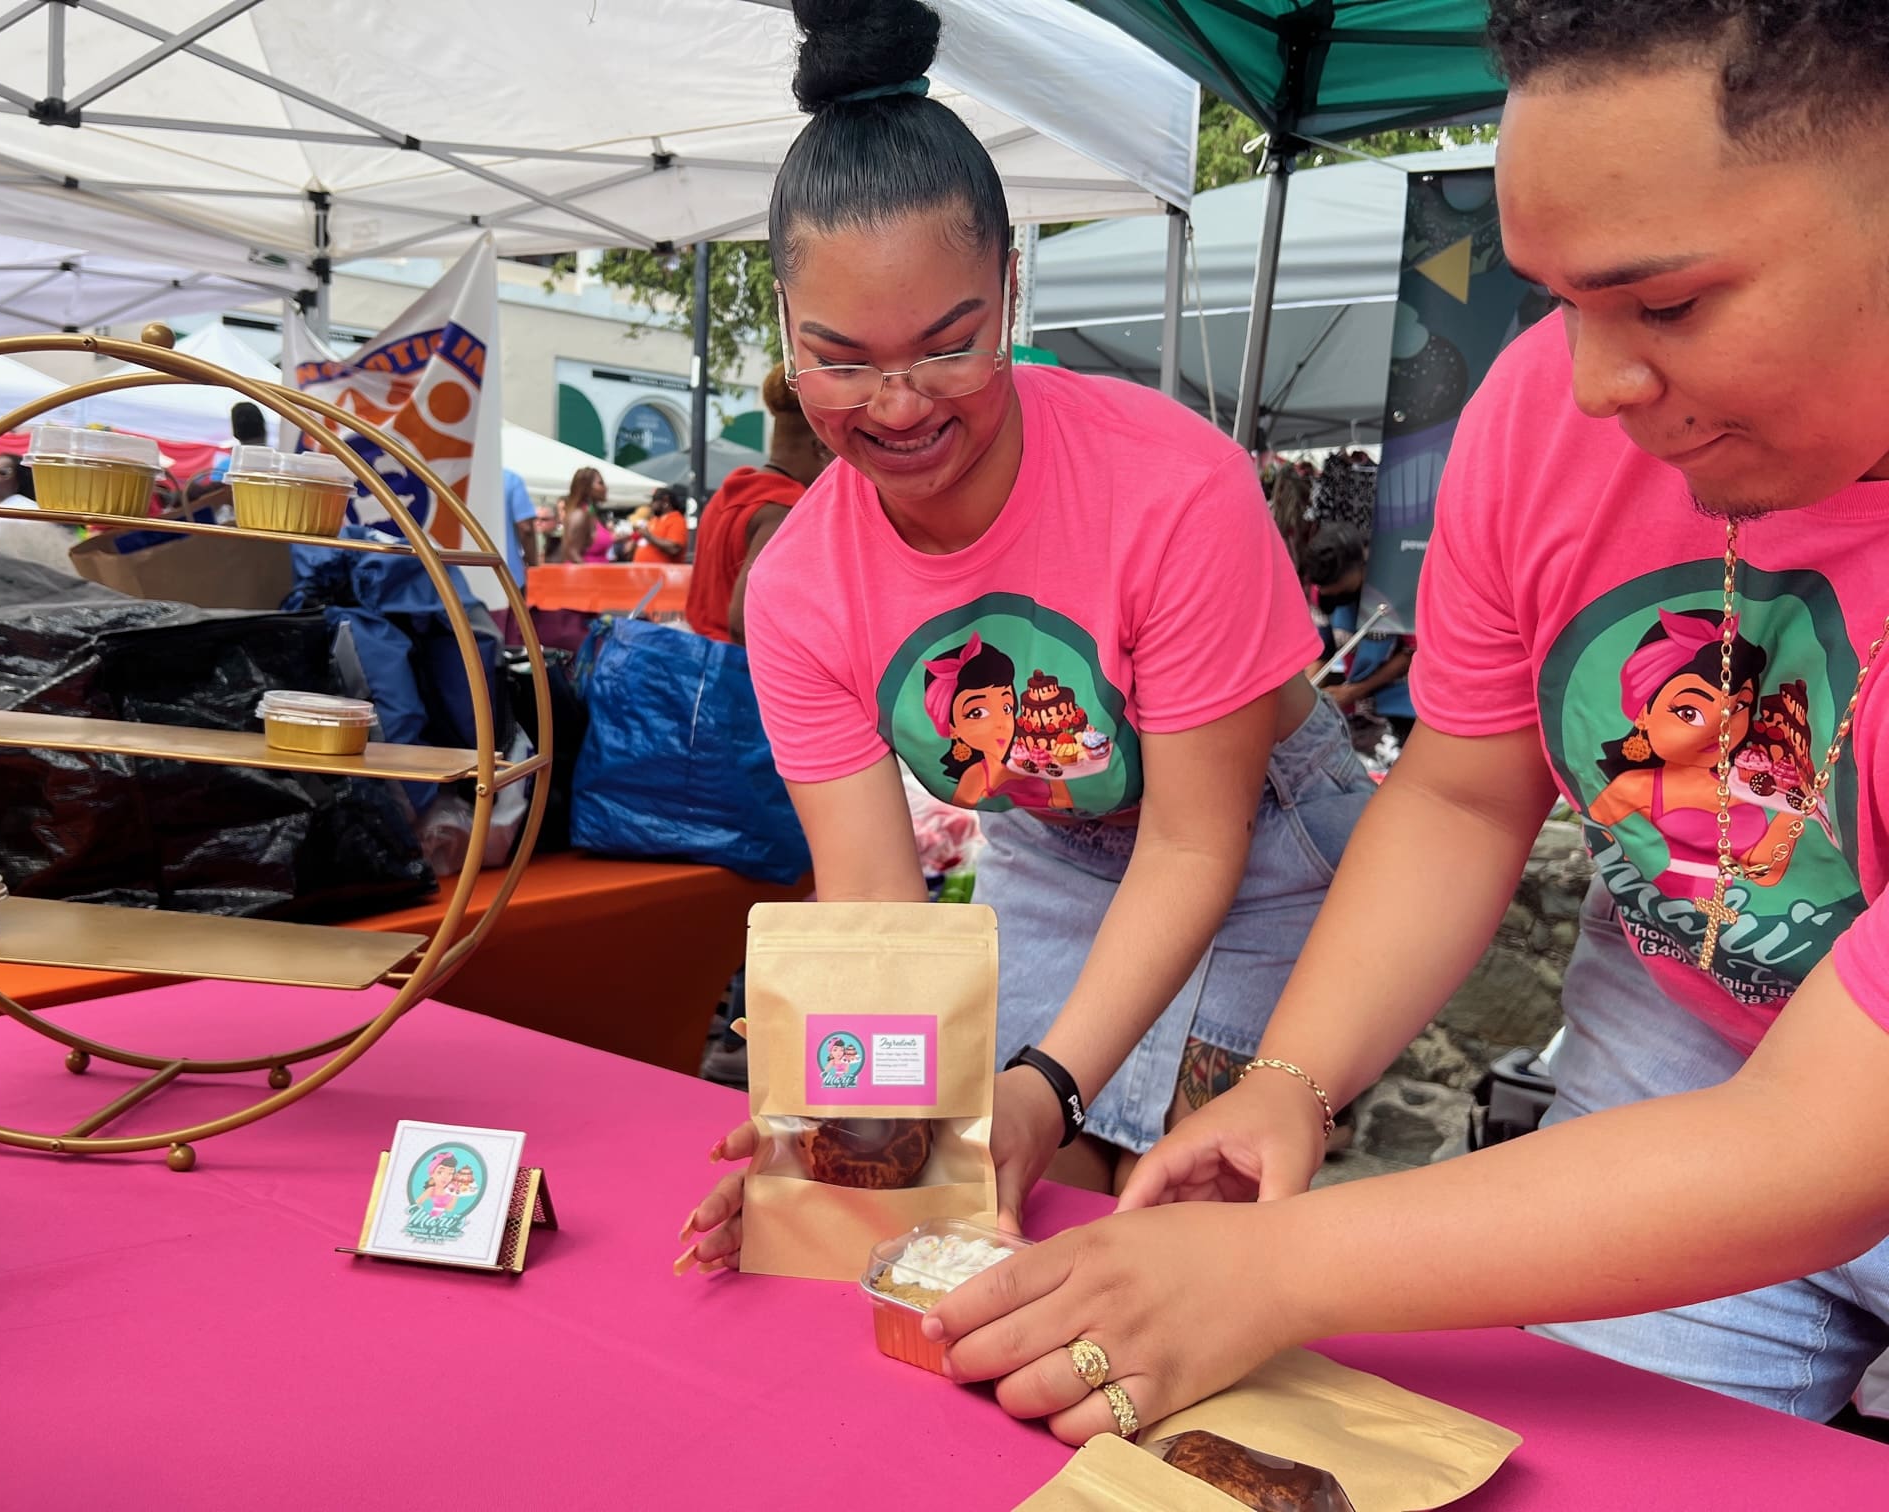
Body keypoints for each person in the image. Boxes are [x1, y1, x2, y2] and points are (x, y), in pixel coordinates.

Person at [912, 0, 1889, 1446]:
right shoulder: (1536, 422)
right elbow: (1461, 793)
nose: (1593, 387)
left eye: (1667, 304)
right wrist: (1292, 1083)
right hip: (1682, 1048)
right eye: (1559, 301)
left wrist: (1271, 1271)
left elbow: (1818, 1141)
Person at [677, 0, 1369, 1268]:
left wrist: (1046, 1089)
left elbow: (1191, 843)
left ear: (1009, 285)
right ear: (785, 340)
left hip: (1263, 838)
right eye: (840, 362)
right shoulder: (799, 589)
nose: (896, 408)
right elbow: (877, 907)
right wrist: (834, 1158)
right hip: (1048, 844)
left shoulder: (1172, 486)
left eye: (949, 349)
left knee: (1156, 1209)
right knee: (973, 1195)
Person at [684, 363, 832, 644]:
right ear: (822, 448)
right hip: (739, 674)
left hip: (700, 660)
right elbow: (742, 622)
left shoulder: (729, 494)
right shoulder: (784, 509)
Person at [1299, 522, 1415, 748]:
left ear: (1361, 566)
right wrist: (1307, 694)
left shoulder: (1393, 589)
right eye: (1322, 589)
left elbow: (1410, 653)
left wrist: (1355, 691)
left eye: (1335, 586)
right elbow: (1323, 650)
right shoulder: (1322, 589)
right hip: (1354, 701)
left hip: (1399, 700)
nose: (1324, 593)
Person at [555, 466, 612, 564]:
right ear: (586, 487)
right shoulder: (579, 515)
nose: (605, 487)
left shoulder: (591, 514)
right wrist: (589, 576)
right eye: (600, 483)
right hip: (584, 577)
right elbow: (571, 553)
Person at [208, 402, 269, 482]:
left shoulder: (225, 468)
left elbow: (212, 491)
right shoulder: (278, 465)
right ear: (264, 429)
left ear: (235, 433)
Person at [631, 487, 689, 563]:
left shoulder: (677, 520)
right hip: (643, 571)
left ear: (665, 501)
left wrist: (649, 536)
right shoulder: (654, 519)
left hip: (661, 572)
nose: (651, 504)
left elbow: (674, 548)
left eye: (654, 500)